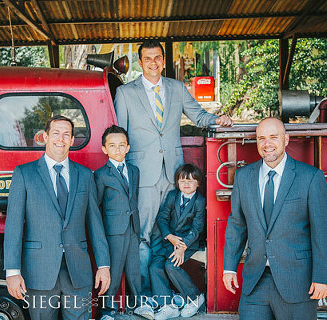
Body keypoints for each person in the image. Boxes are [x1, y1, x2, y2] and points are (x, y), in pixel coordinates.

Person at [114, 40, 233, 294]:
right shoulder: (125, 93)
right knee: (144, 235)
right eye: (148, 59)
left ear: (164, 60)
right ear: (140, 62)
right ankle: (143, 295)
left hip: (174, 175)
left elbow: (198, 115)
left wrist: (218, 120)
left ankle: (166, 293)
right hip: (142, 175)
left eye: (158, 58)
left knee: (169, 232)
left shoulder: (177, 88)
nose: (153, 63)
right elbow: (119, 136)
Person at [222, 117, 327, 320]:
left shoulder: (311, 177)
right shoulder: (243, 177)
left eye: (273, 137)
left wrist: (323, 277)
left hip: (298, 281)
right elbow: (237, 224)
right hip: (255, 281)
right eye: (261, 138)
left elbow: (321, 232)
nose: (267, 144)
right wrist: (229, 267)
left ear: (286, 139)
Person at [4, 115, 111, 320]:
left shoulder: (86, 175)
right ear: (45, 137)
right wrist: (12, 272)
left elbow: (95, 224)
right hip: (39, 272)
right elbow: (14, 226)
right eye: (56, 133)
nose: (60, 139)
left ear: (72, 141)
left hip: (78, 272)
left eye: (66, 135)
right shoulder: (24, 174)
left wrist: (103, 266)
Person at [94, 125, 154, 320]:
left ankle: (138, 304)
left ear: (128, 147)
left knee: (134, 268)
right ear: (105, 149)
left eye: (122, 145)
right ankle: (107, 311)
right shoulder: (101, 175)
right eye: (112, 146)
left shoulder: (134, 171)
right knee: (113, 269)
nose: (118, 149)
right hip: (113, 231)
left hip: (132, 228)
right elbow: (97, 206)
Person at [149, 164, 207, 320]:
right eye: (182, 181)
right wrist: (169, 236)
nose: (186, 185)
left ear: (198, 183)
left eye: (191, 181)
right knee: (155, 267)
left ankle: (195, 297)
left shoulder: (200, 202)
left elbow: (197, 228)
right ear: (177, 182)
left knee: (171, 265)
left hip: (189, 242)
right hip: (169, 241)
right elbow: (162, 218)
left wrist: (182, 246)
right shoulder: (172, 196)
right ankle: (167, 305)